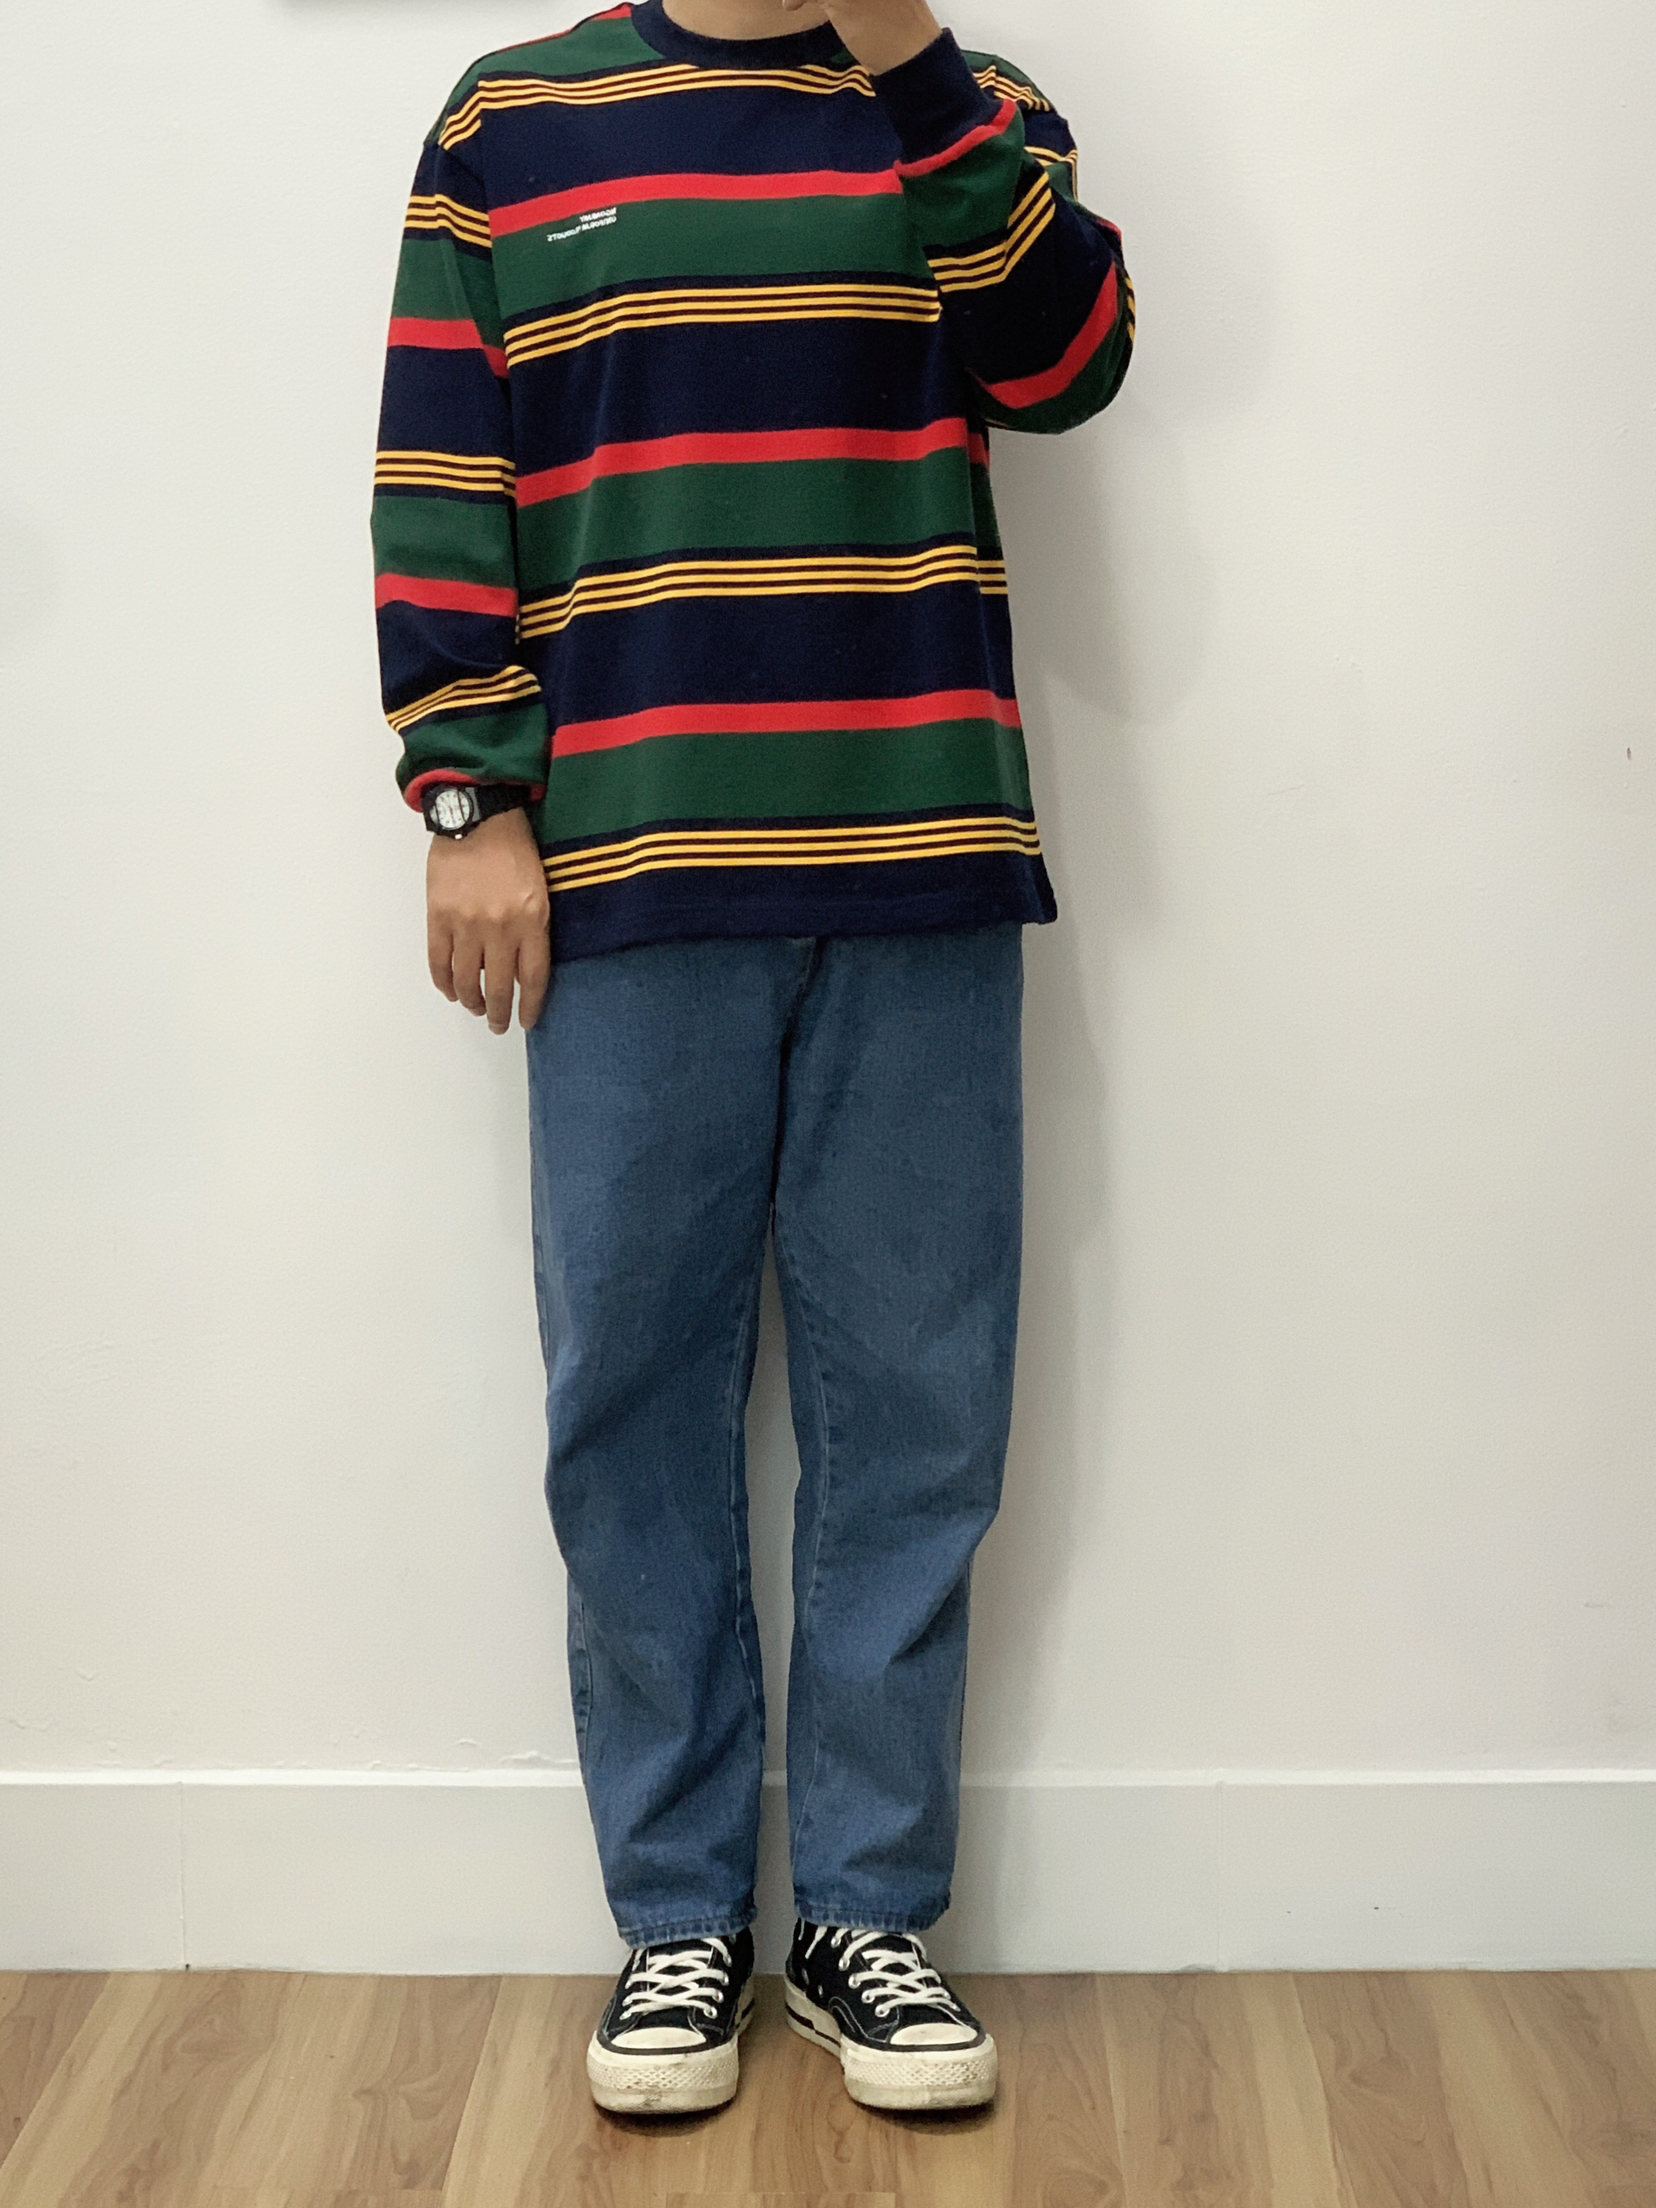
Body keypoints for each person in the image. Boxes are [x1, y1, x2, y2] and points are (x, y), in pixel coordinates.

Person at [373, 0, 1133, 2119]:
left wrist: (909, 60)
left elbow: (1068, 365)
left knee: (920, 1406)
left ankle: (866, 1911)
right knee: (629, 1400)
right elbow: (442, 477)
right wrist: (467, 797)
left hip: (920, 850)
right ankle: (677, 1920)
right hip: (625, 871)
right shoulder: (513, 124)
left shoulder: (973, 106)